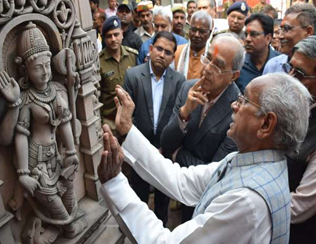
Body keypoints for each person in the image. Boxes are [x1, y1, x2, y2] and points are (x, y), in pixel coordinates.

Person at [98, 72, 311, 243]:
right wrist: (128, 130)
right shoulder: (252, 161)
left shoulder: (247, 201)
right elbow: (181, 181)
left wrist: (115, 183)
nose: (234, 105)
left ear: (266, 124)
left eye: (244, 100)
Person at [0, 22, 87, 238]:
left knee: (70, 203)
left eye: (47, 65)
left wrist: (72, 153)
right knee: (68, 222)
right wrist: (23, 174)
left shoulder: (56, 90)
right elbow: (20, 137)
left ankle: (45, 228)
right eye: (38, 68)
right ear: (24, 69)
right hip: (37, 166)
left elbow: (65, 123)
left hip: (58, 159)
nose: (45, 72)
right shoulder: (26, 100)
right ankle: (57, 227)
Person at [162, 34, 243, 222]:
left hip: (207, 203)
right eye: (207, 59)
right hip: (179, 188)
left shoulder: (238, 110)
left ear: (234, 75)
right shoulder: (188, 88)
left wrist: (176, 155)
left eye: (217, 66)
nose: (206, 69)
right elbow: (166, 143)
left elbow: (216, 174)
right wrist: (185, 111)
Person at [123, 31, 185, 226]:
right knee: (139, 196)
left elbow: (177, 117)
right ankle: (139, 233)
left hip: (164, 151)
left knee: (162, 199)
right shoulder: (133, 75)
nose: (162, 55)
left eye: (168, 52)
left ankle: (161, 233)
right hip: (139, 150)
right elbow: (127, 116)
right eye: (159, 49)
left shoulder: (178, 81)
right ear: (150, 49)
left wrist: (165, 147)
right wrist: (142, 148)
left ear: (172, 57)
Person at [283, 36, 316, 244]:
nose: (290, 78)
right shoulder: (291, 105)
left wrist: (253, 209)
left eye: (301, 74)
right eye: (290, 68)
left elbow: (300, 207)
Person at [99, 16, 137, 133]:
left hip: (132, 121)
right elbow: (97, 96)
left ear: (122, 34)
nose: (113, 39)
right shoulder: (99, 62)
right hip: (110, 123)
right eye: (109, 36)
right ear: (104, 39)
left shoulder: (133, 56)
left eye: (116, 34)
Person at [263, 3, 315, 74]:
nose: (280, 36)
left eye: (286, 29)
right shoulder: (273, 66)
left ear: (308, 31)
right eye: (281, 29)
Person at [236, 13, 280, 93]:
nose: (248, 39)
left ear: (268, 38)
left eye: (254, 34)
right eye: (246, 34)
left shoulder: (282, 65)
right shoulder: (238, 65)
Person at [174, 11, 213, 80]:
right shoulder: (177, 52)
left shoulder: (213, 57)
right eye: (193, 30)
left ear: (209, 33)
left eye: (201, 31)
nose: (196, 35)